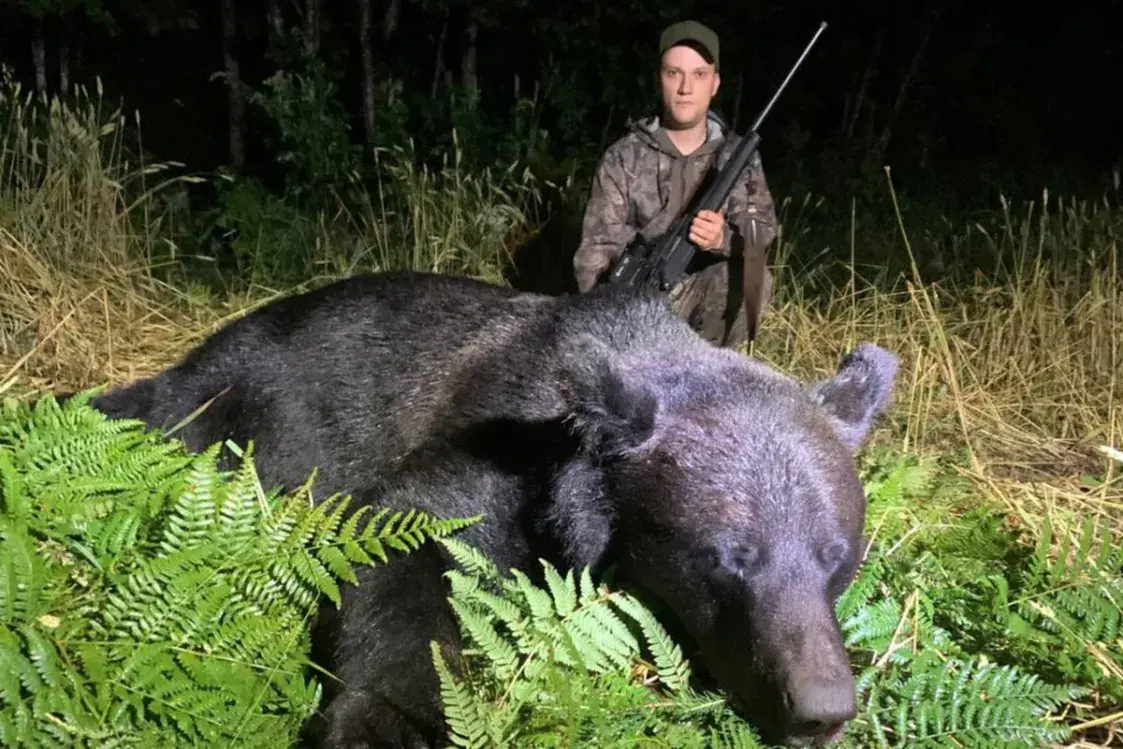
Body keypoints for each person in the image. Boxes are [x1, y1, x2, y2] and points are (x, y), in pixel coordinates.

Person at [572, 20, 780, 348]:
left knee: (751, 278)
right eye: (674, 73)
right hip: (632, 304)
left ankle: (707, 370)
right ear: (661, 80)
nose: (686, 88)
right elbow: (594, 251)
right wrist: (605, 312)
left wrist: (722, 239)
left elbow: (763, 231)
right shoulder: (624, 156)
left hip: (697, 298)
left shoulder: (738, 157)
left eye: (698, 74)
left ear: (715, 83)